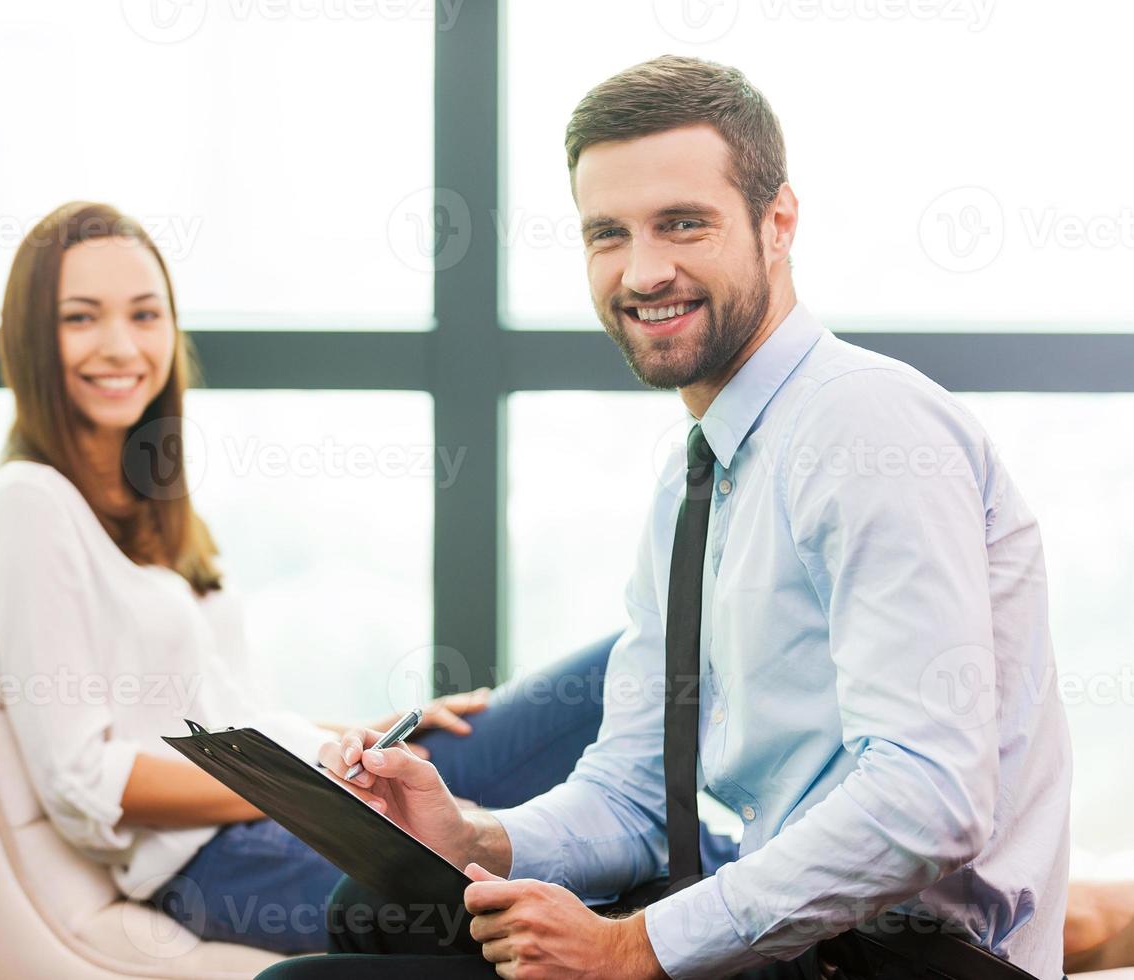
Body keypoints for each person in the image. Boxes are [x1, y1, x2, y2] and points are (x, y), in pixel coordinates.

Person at [266, 54, 1077, 978]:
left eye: (681, 224)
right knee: (381, 901)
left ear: (778, 224)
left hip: (910, 959)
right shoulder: (699, 475)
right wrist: (472, 837)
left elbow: (930, 797)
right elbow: (632, 796)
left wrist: (632, 948)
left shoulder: (862, 426)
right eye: (606, 233)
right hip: (816, 938)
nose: (643, 271)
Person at [0, 200, 741, 953]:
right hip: (223, 859)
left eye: (143, 314)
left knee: (635, 667)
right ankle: (768, 914)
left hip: (307, 792)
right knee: (592, 823)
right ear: (32, 337)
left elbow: (234, 713)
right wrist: (304, 784)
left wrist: (375, 729)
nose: (121, 346)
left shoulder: (150, 505)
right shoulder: (29, 505)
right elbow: (80, 777)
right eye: (80, 317)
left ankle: (763, 882)